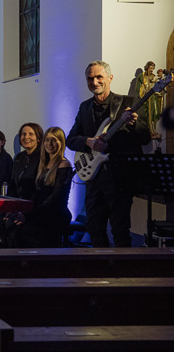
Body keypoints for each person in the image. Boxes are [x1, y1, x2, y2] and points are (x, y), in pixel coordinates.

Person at [66, 60, 150, 247]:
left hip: (120, 178)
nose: (94, 82)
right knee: (94, 228)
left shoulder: (128, 103)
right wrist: (89, 142)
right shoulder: (85, 107)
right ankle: (100, 265)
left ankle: (122, 266)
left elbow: (145, 138)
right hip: (94, 179)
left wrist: (133, 124)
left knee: (120, 230)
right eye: (90, 79)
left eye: (99, 77)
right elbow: (70, 139)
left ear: (110, 78)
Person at [8, 127, 73, 248]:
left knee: (24, 233)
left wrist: (29, 214)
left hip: (55, 213)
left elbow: (55, 198)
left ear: (61, 142)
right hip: (41, 211)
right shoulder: (44, 163)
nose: (49, 144)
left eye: (54, 140)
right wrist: (23, 211)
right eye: (47, 140)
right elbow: (38, 192)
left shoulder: (64, 164)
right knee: (13, 230)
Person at [9, 123, 43, 201]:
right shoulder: (19, 157)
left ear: (38, 139)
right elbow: (13, 183)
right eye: (23, 134)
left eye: (31, 134)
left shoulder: (43, 157)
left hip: (35, 204)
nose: (26, 137)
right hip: (17, 203)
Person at [135, 61, 160, 137]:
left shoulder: (153, 76)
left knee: (155, 114)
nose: (152, 70)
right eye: (150, 68)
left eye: (153, 68)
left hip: (153, 99)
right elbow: (137, 89)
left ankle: (153, 129)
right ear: (147, 68)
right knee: (147, 115)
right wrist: (144, 91)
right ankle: (149, 131)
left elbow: (157, 86)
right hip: (145, 99)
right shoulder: (141, 76)